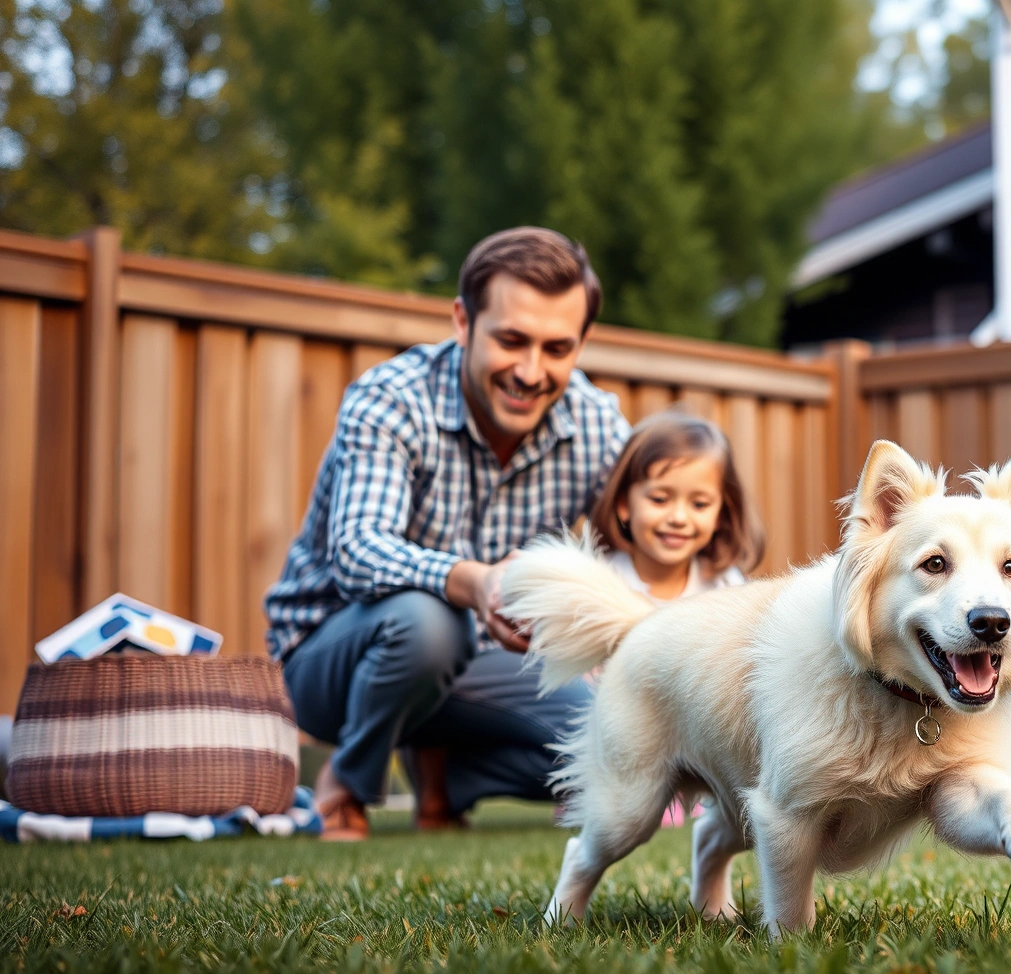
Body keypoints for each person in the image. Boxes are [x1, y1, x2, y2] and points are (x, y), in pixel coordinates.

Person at [264, 227, 631, 841]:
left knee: (612, 738)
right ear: (463, 322)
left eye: (557, 348)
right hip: (333, 655)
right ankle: (346, 784)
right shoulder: (392, 400)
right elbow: (357, 551)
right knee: (431, 620)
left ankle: (446, 778)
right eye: (511, 340)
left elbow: (634, 553)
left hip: (486, 667)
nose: (531, 371)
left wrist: (601, 645)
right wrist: (475, 582)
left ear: (582, 343)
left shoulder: (595, 424)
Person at [587, 411, 764, 601]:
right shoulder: (600, 582)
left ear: (721, 515)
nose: (678, 518)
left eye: (699, 504)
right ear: (624, 505)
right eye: (659, 500)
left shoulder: (726, 587)